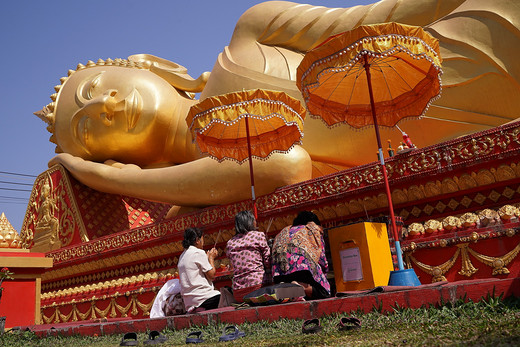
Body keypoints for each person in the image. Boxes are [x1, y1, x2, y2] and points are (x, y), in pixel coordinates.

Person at [44, 0, 520, 217]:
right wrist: (110, 182)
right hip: (467, 129)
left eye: (100, 87)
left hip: (462, 45)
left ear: (147, 65)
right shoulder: (206, 187)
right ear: (113, 161)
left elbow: (380, 18)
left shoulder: (248, 32)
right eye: (88, 130)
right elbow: (288, 165)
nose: (105, 106)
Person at [271, 211, 330, 300]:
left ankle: (289, 288)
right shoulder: (313, 230)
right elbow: (322, 260)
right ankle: (300, 287)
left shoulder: (282, 232)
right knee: (323, 292)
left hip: (279, 275)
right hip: (302, 272)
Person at [225, 210, 271, 302]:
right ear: (251, 222)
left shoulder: (230, 243)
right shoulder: (258, 236)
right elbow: (268, 261)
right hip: (258, 288)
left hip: (238, 292)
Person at [177, 227, 221, 312]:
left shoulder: (182, 256)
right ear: (197, 240)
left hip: (189, 302)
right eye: (202, 239)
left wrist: (206, 259)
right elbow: (211, 276)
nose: (203, 242)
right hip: (203, 298)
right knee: (227, 296)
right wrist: (211, 259)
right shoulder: (198, 252)